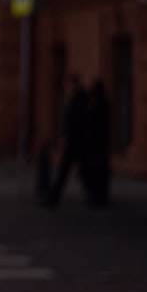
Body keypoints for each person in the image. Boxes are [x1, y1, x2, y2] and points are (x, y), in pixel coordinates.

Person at [45, 75, 90, 208]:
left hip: (76, 141)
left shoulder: (78, 100)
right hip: (76, 141)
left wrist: (66, 137)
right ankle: (54, 197)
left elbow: (75, 122)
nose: (65, 88)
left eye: (67, 84)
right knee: (79, 170)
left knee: (68, 170)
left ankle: (54, 198)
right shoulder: (76, 99)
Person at [84, 79, 111, 207]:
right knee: (100, 171)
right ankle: (100, 195)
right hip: (100, 144)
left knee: (97, 171)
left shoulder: (97, 106)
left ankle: (97, 195)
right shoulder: (103, 105)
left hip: (96, 145)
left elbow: (92, 124)